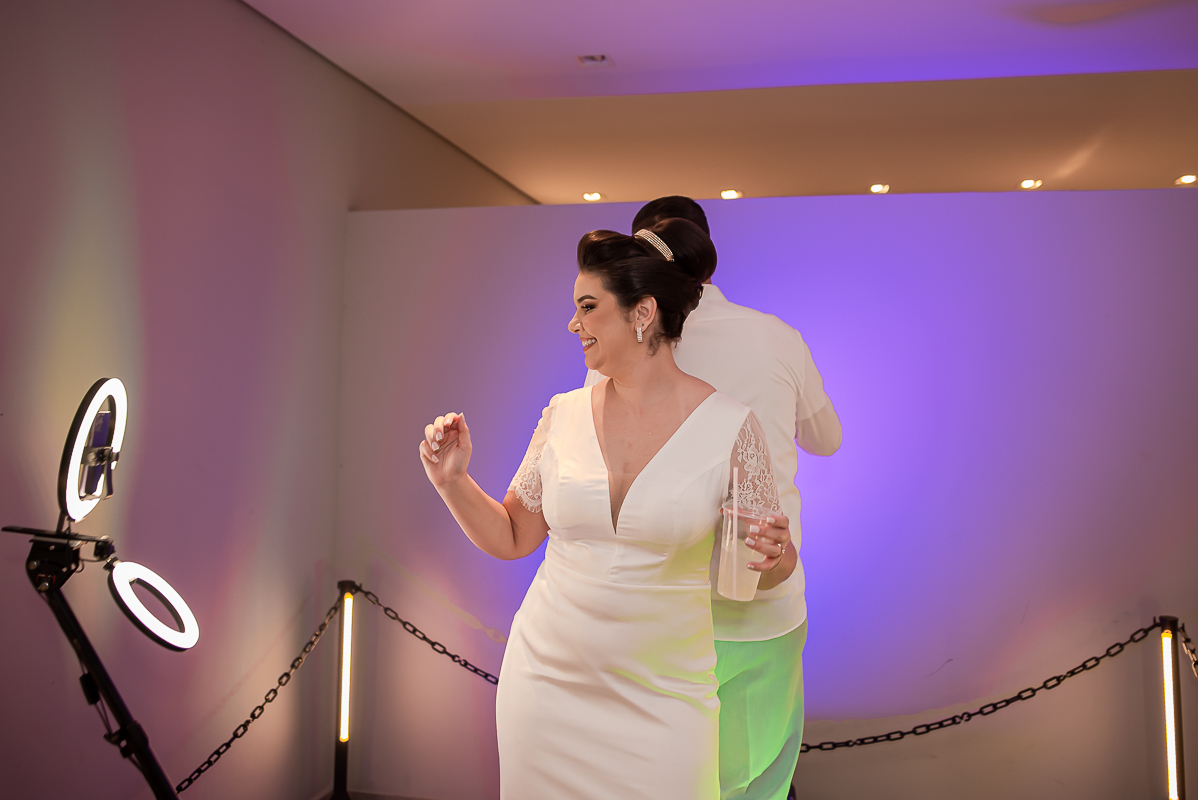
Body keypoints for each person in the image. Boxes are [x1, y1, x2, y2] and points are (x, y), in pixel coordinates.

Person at [418, 218, 794, 800]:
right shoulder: (561, 415)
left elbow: (765, 569)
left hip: (666, 699)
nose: (574, 324)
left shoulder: (732, 428)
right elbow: (513, 535)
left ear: (642, 312)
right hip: (546, 686)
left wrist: (776, 556)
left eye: (588, 307)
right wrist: (452, 481)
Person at [584, 197, 842, 800]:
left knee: (654, 781)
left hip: (654, 608)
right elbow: (826, 439)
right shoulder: (776, 338)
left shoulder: (618, 351)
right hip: (759, 601)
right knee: (753, 785)